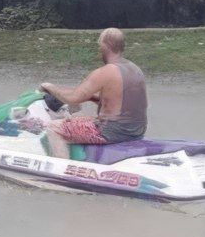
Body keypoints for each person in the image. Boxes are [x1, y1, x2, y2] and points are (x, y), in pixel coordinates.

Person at [39, 27, 148, 158]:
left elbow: (73, 98)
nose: (99, 49)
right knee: (75, 118)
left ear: (105, 45)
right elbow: (121, 102)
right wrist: (92, 98)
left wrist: (49, 86)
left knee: (53, 127)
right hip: (137, 131)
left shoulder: (106, 71)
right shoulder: (135, 69)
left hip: (111, 132)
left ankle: (62, 168)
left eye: (100, 45)